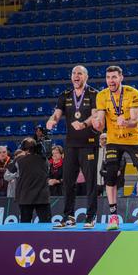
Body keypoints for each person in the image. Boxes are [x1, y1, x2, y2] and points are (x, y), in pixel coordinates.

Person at [93, 65, 138, 230]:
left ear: (121, 78)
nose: (111, 81)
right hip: (113, 140)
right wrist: (97, 125)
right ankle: (113, 217)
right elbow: (101, 122)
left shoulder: (133, 93)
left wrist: (125, 122)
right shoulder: (102, 95)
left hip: (133, 139)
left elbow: (134, 120)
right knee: (110, 174)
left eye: (114, 77)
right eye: (108, 78)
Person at [47, 66, 101, 229]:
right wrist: (52, 120)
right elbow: (57, 113)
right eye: (73, 73)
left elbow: (95, 114)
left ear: (86, 76)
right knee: (68, 182)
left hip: (89, 143)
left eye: (79, 73)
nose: (76, 76)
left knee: (90, 182)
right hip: (70, 145)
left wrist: (84, 123)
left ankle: (91, 217)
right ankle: (69, 216)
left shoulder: (94, 93)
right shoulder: (64, 95)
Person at [9, 137, 52, 222]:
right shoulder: (44, 160)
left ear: (24, 149)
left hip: (25, 197)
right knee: (46, 223)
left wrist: (18, 174)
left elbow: (7, 175)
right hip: (42, 196)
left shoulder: (18, 160)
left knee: (25, 223)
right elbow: (48, 171)